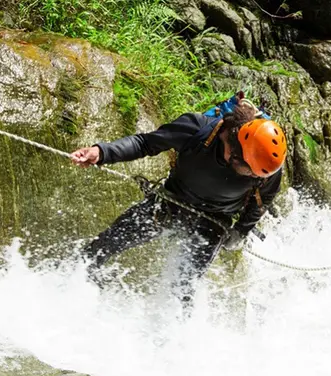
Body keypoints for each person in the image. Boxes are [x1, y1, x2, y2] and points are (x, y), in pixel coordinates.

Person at [69, 101, 287, 299]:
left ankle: (177, 326)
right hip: (171, 201)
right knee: (103, 245)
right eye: (249, 172)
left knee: (183, 289)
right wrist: (102, 152)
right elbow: (145, 143)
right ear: (234, 152)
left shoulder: (265, 168)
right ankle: (72, 286)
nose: (253, 176)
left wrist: (240, 231)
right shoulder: (197, 129)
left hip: (214, 222)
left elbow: (262, 201)